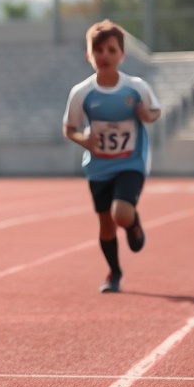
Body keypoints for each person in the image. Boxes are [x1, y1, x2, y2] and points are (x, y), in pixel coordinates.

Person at [62, 19, 161, 293]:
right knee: (106, 225)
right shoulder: (81, 93)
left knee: (121, 213)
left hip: (131, 161)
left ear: (122, 55)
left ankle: (132, 224)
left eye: (111, 50)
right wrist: (85, 140)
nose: (104, 55)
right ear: (89, 56)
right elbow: (69, 128)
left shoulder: (136, 87)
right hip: (98, 167)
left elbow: (156, 111)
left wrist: (144, 115)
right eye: (98, 50)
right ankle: (114, 273)